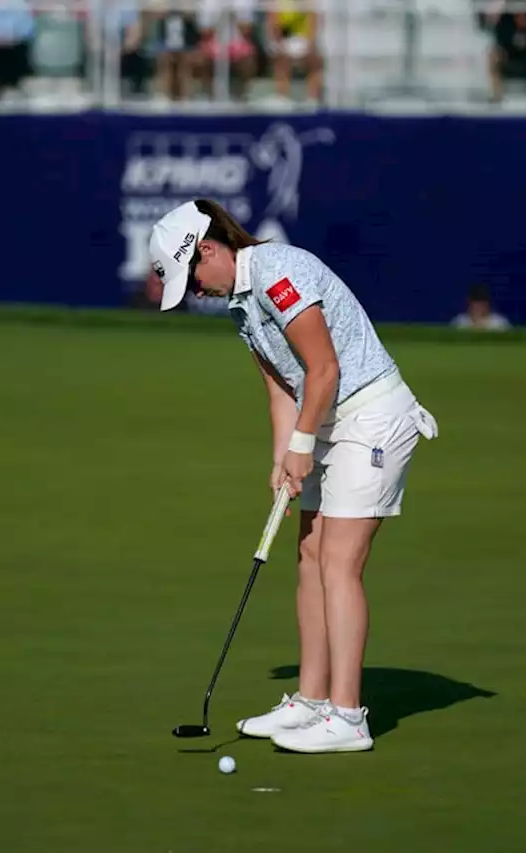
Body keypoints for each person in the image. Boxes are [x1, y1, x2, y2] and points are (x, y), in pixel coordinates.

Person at [149, 199, 439, 754]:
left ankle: (348, 717)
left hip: (372, 415)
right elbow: (282, 384)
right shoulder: (239, 302)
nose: (196, 293)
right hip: (325, 421)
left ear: (208, 250)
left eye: (193, 280)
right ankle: (311, 701)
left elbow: (323, 366)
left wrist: (304, 443)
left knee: (338, 561)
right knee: (308, 554)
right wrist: (284, 456)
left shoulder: (279, 271)